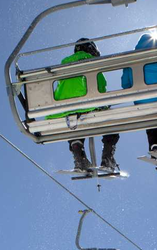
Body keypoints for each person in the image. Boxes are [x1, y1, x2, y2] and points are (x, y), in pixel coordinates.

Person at [49, 39, 120, 172]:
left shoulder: (64, 63)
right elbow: (100, 87)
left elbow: (61, 89)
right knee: (111, 118)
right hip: (87, 106)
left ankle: (79, 155)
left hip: (64, 110)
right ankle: (107, 157)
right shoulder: (92, 63)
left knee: (74, 119)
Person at [122, 33, 157, 160]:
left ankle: (154, 145)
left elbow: (125, 83)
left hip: (141, 100)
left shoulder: (131, 56)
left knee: (149, 113)